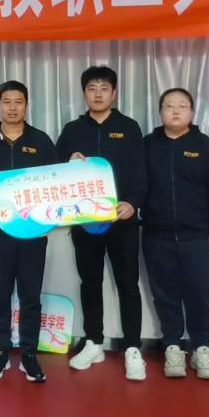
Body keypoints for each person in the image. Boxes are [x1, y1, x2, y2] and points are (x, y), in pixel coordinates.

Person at [56, 66, 148, 381]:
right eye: (92, 88)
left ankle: (132, 347)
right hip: (85, 223)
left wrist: (133, 203)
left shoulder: (129, 127)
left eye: (104, 88)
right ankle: (93, 341)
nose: (98, 93)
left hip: (122, 221)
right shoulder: (72, 130)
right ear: (84, 93)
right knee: (90, 283)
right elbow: (56, 173)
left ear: (114, 92)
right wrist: (69, 163)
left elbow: (140, 171)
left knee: (128, 285)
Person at [0, 80, 57, 383]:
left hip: (33, 233)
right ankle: (0, 352)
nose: (12, 107)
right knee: (0, 293)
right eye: (6, 101)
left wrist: (47, 223)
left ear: (26, 105)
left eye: (18, 101)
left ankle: (29, 354)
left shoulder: (41, 141)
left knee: (31, 295)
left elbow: (54, 185)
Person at [141, 87, 209, 380]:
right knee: (164, 294)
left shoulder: (203, 145)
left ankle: (201, 347)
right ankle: (173, 346)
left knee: (199, 294)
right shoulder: (148, 144)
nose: (175, 111)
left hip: (197, 236)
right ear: (160, 112)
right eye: (169, 106)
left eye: (182, 106)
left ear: (192, 112)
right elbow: (134, 182)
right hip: (156, 235)